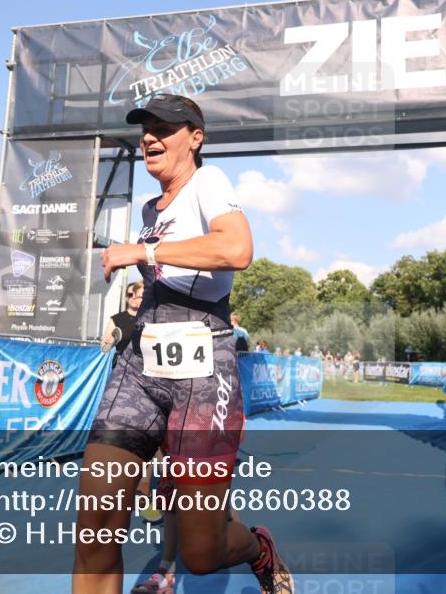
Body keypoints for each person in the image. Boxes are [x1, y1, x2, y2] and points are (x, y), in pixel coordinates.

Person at [75, 94, 292, 594]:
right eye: (145, 129)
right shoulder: (150, 208)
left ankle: (259, 548)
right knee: (95, 526)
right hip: (140, 366)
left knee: (201, 554)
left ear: (195, 138)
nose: (150, 137)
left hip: (203, 371)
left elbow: (237, 248)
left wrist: (143, 249)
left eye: (164, 129)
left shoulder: (208, 181)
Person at [101, 281, 145, 358]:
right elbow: (104, 346)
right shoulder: (116, 319)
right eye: (130, 295)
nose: (134, 297)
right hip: (122, 361)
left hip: (143, 361)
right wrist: (111, 341)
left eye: (137, 294)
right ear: (126, 298)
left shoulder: (148, 317)